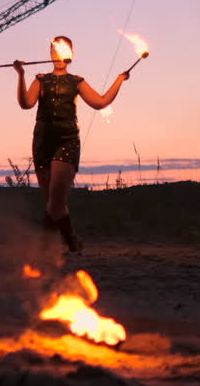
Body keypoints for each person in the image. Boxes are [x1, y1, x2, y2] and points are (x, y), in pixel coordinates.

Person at [14, 36, 127, 252]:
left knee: (56, 200)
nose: (56, 52)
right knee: (50, 201)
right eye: (52, 49)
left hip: (67, 140)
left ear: (70, 54)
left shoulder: (76, 81)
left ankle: (69, 240)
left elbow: (100, 102)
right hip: (42, 141)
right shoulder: (41, 79)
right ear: (50, 54)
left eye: (61, 48)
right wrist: (21, 76)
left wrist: (120, 79)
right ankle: (52, 244)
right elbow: (26, 104)